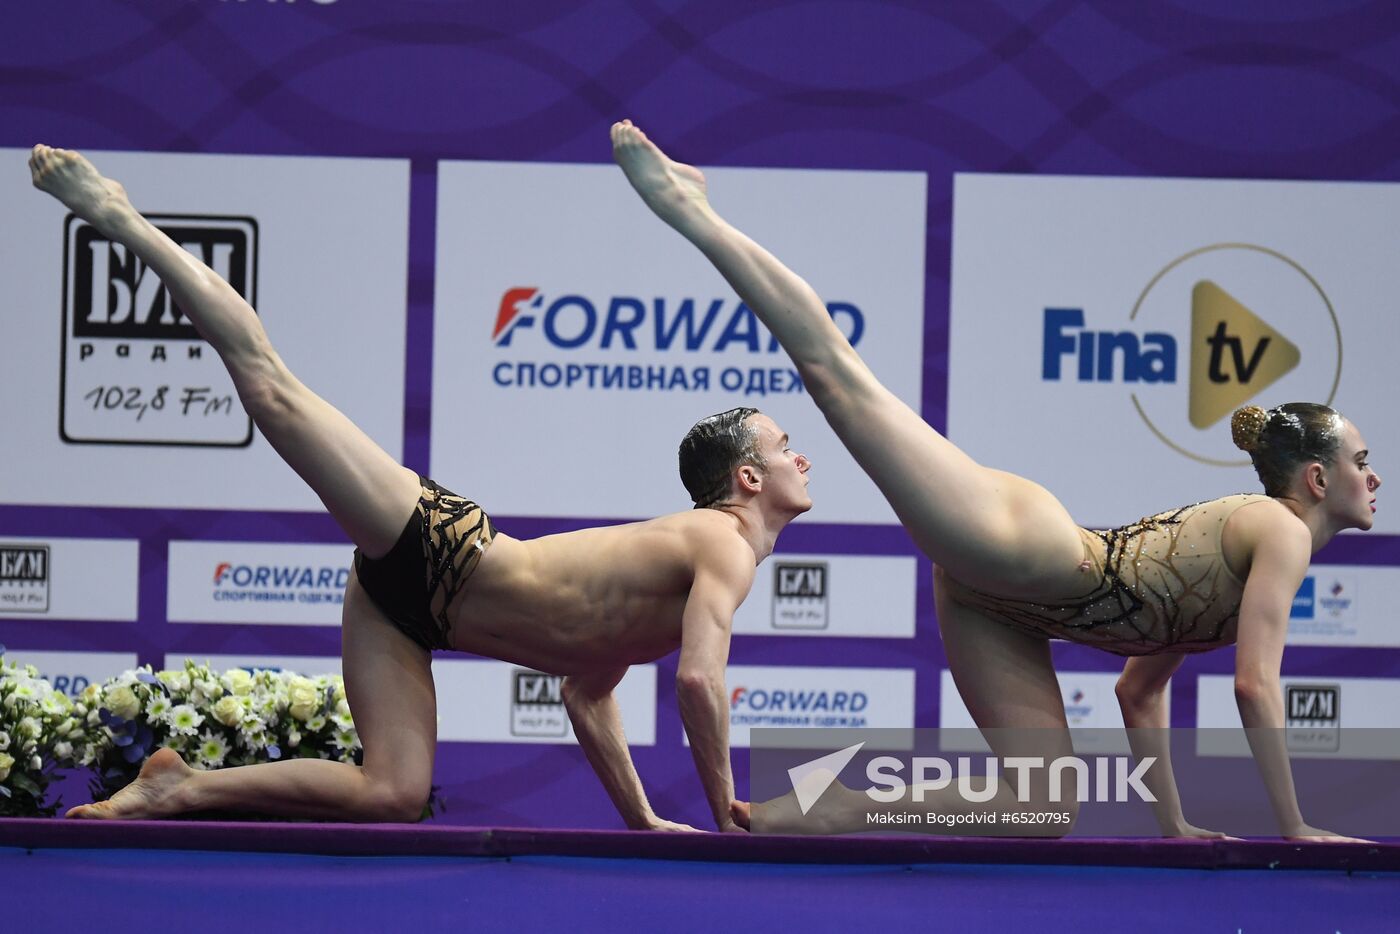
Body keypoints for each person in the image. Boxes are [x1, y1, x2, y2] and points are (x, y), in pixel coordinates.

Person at [613, 120, 1379, 841]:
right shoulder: (1281, 531)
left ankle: (831, 802)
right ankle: (690, 209)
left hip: (1004, 605)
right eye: (1361, 461)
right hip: (1030, 550)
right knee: (838, 380)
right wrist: (1294, 826)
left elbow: (1138, 691)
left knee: (1042, 807)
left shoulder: (1255, 542)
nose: (1373, 477)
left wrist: (1172, 826)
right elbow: (1254, 687)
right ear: (1315, 478)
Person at [30, 143, 813, 831]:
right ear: (747, 477)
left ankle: (179, 788)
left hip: (409, 618)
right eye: (787, 447)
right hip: (439, 545)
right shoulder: (724, 542)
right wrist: (724, 810)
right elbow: (699, 681)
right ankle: (120, 218)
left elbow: (585, 693)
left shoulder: (695, 566)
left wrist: (642, 819)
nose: (801, 460)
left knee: (392, 795)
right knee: (271, 390)